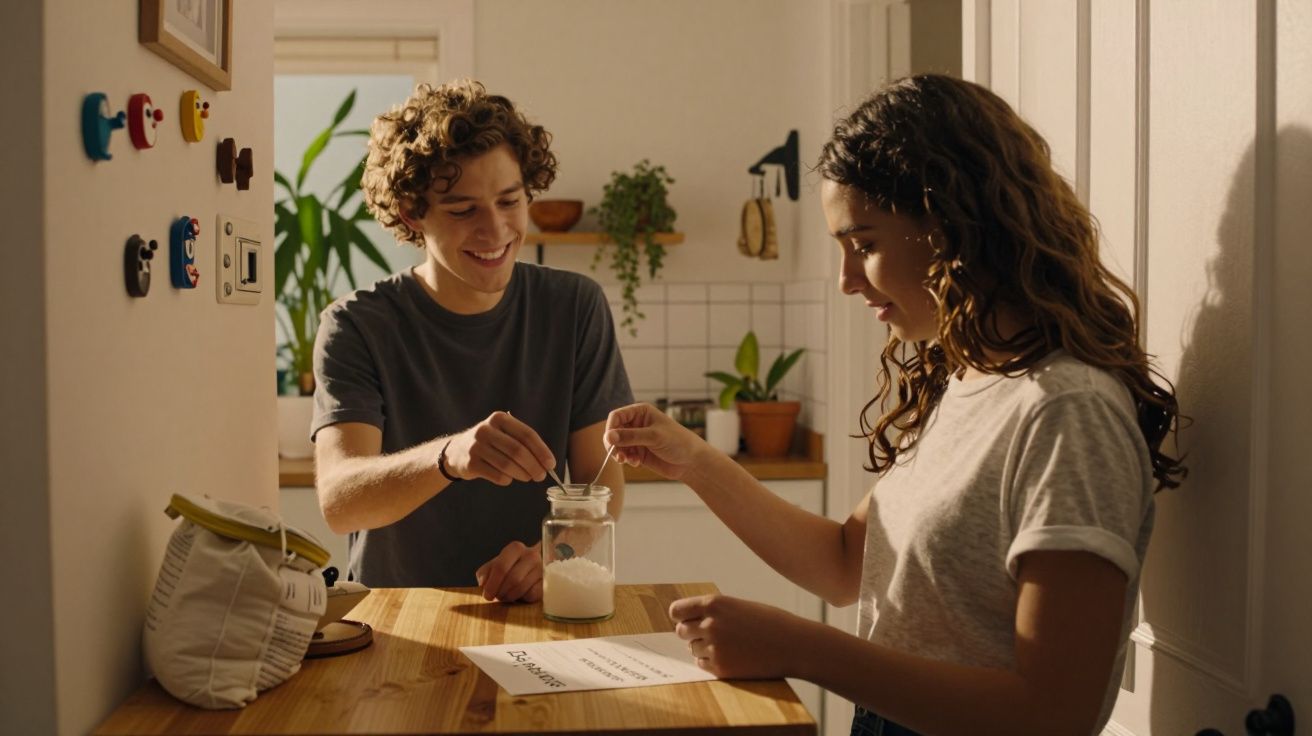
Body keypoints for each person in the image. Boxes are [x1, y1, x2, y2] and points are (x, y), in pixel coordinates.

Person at [603, 74, 1184, 736]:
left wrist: (798, 648)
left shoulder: (1067, 414)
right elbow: (847, 563)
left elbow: (1051, 714)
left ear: (953, 226)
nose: (848, 280)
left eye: (867, 245)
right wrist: (695, 460)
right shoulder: (966, 381)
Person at [312, 79, 632, 601]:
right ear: (413, 213)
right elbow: (340, 501)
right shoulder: (356, 325)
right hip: (396, 620)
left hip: (536, 609)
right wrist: (450, 456)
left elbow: (601, 490)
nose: (495, 230)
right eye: (463, 211)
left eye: (510, 201)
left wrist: (557, 555)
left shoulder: (575, 307)